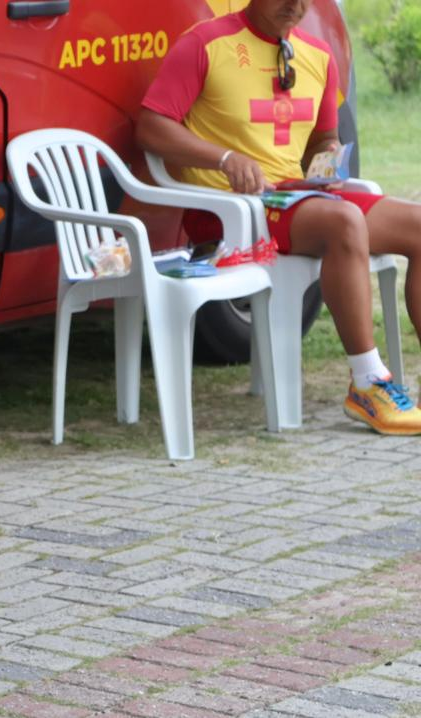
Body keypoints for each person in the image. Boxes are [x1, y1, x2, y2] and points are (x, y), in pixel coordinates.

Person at [137, 0, 421, 436]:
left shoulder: (318, 56)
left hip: (296, 200)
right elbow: (151, 126)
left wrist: (325, 163)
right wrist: (225, 158)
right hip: (230, 210)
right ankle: (368, 381)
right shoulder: (204, 44)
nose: (296, 5)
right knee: (345, 222)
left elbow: (325, 139)